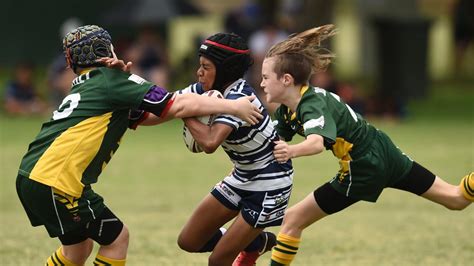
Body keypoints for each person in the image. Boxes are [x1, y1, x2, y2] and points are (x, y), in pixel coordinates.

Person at [15, 25, 262, 266]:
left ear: (71, 61)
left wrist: (182, 107)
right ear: (107, 50)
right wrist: (233, 106)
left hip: (35, 174)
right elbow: (173, 105)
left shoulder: (90, 84)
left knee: (78, 249)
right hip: (56, 181)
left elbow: (152, 115)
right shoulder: (111, 79)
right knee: (117, 239)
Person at [257, 25, 474, 265]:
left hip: (363, 165)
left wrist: (290, 152)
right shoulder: (289, 110)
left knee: (293, 220)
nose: (262, 83)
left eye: (266, 77)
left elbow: (316, 143)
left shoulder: (311, 105)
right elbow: (270, 140)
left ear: (286, 80)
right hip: (384, 149)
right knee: (456, 198)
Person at [174, 33, 294, 266]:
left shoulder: (242, 98)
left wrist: (184, 112)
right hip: (242, 175)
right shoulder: (204, 90)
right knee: (188, 241)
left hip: (270, 182)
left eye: (206, 67)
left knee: (218, 260)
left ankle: (244, 242)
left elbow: (209, 143)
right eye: (200, 66)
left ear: (224, 70)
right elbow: (167, 101)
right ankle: (256, 242)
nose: (199, 72)